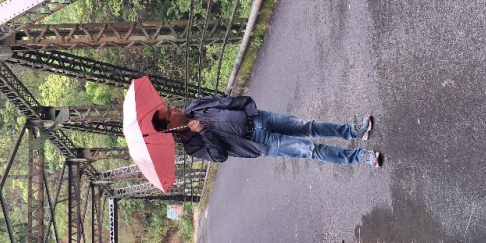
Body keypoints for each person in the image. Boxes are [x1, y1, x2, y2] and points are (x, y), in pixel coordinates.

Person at [151, 94, 381, 167]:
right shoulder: (192, 145)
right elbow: (219, 156)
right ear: (169, 126)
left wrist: (247, 107)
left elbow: (222, 101)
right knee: (310, 150)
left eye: (169, 107)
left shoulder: (194, 106)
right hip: (258, 141)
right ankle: (360, 157)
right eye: (169, 112)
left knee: (307, 125)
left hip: (259, 118)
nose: (173, 108)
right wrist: (203, 133)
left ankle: (353, 132)